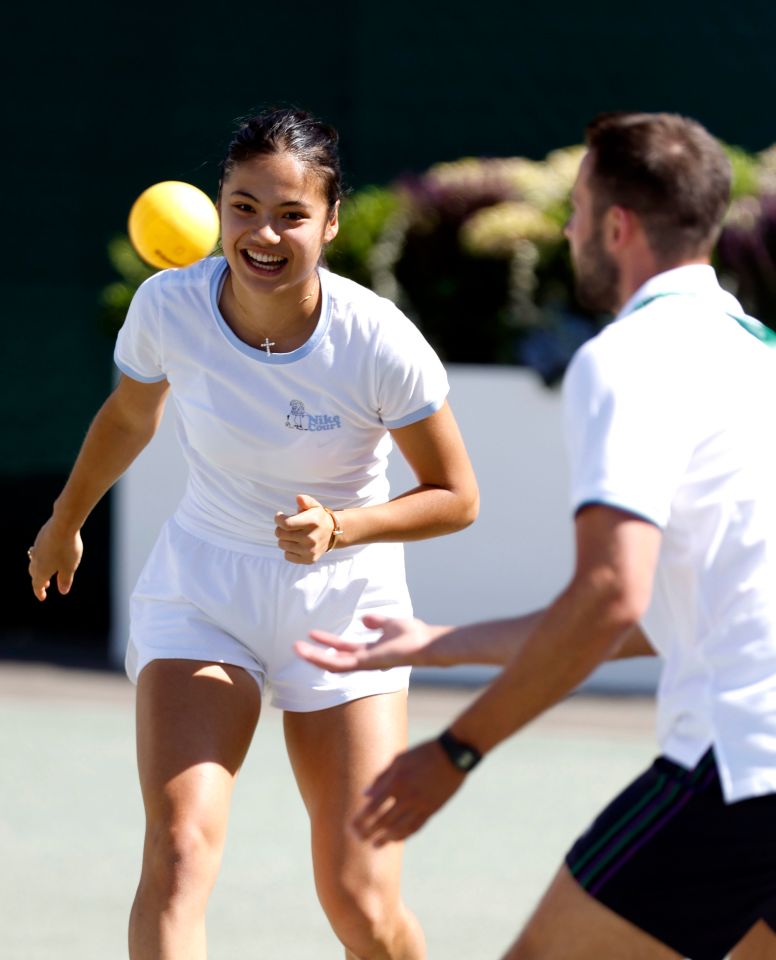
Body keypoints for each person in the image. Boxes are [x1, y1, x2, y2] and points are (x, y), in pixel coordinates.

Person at [296, 111, 776, 960]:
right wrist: (445, 643)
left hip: (742, 769)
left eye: (580, 210)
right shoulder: (760, 358)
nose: (567, 228)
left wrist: (457, 749)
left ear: (617, 226)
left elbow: (608, 593)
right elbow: (681, 610)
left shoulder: (628, 359)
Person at [27, 107, 479, 960]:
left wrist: (344, 527)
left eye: (290, 214)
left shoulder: (377, 340)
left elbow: (457, 496)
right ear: (219, 206)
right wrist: (63, 522)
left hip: (345, 607)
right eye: (242, 206)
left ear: (331, 222)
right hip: (204, 590)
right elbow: (128, 418)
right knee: (180, 849)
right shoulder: (170, 306)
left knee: (361, 900)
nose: (262, 233)